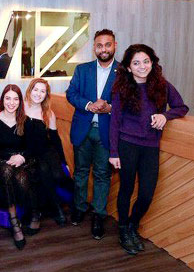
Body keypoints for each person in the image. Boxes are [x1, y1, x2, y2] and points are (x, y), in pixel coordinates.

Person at [109, 44, 188, 255]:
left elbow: (181, 107)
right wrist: (113, 153)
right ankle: (124, 230)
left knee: (146, 194)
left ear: (152, 63)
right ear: (128, 67)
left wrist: (165, 116)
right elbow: (114, 122)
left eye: (146, 61)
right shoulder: (121, 89)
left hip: (151, 147)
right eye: (136, 63)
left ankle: (133, 225)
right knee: (126, 189)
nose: (142, 66)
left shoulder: (162, 86)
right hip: (127, 145)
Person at [66, 29, 119, 240]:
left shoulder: (124, 73)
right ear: (94, 47)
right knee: (79, 172)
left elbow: (130, 104)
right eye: (99, 45)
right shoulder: (82, 70)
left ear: (115, 45)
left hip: (107, 133)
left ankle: (98, 215)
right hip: (83, 130)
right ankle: (79, 208)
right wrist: (88, 105)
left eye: (107, 44)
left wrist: (110, 108)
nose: (103, 49)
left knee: (102, 175)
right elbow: (72, 94)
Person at [0, 84, 38, 250]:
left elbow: (31, 147)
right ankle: (15, 223)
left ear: (20, 101)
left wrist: (21, 157)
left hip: (21, 158)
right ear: (3, 99)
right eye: (8, 98)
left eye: (15, 99)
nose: (11, 102)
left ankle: (35, 212)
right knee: (7, 171)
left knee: (22, 178)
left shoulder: (25, 120)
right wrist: (10, 158)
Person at [24, 78, 73, 233]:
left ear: (46, 95)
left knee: (58, 175)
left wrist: (64, 161)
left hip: (47, 150)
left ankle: (76, 192)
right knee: (44, 171)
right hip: (31, 153)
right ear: (30, 90)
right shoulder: (20, 108)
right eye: (36, 89)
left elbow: (55, 138)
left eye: (42, 91)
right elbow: (2, 117)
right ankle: (56, 208)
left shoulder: (48, 113)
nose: (38, 94)